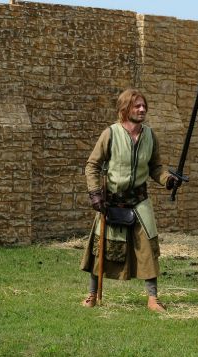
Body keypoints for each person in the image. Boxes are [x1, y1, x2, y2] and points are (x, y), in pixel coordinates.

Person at [80, 88, 178, 312]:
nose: (142, 109)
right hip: (111, 201)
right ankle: (92, 294)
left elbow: (156, 167)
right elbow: (92, 165)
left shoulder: (150, 135)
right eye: (137, 106)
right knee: (100, 248)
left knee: (148, 249)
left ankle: (153, 299)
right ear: (125, 109)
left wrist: (167, 180)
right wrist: (95, 193)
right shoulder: (111, 134)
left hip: (140, 201)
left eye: (144, 106)